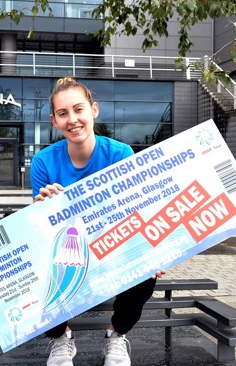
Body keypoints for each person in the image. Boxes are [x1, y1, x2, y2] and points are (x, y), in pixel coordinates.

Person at [30, 77, 166, 366]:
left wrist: (153, 252)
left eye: (78, 109)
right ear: (54, 121)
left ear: (93, 110)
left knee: (147, 271)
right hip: (69, 249)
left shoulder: (120, 154)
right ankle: (60, 338)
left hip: (111, 246)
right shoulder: (43, 161)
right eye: (63, 113)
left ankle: (116, 335)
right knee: (34, 271)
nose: (72, 119)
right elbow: (41, 230)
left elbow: (136, 212)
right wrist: (42, 207)